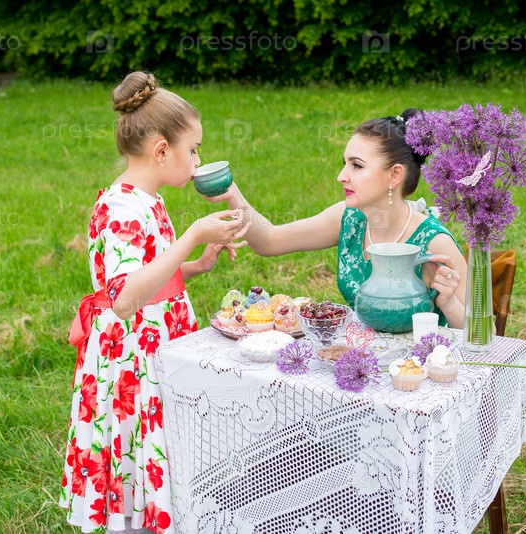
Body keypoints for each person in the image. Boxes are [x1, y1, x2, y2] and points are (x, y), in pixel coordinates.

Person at [60, 71, 251, 534]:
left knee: (157, 444)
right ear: (162, 150)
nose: (198, 159)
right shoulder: (122, 208)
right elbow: (125, 298)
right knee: (133, 446)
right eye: (194, 149)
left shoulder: (149, 200)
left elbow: (151, 278)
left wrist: (197, 264)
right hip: (130, 360)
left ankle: (156, 515)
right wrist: (193, 235)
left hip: (152, 348)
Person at [209, 109, 466, 328]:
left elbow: (479, 334)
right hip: (356, 359)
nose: (341, 176)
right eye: (344, 163)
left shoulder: (434, 243)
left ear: (394, 175)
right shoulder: (350, 219)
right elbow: (270, 240)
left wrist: (449, 303)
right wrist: (232, 193)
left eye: (357, 165)